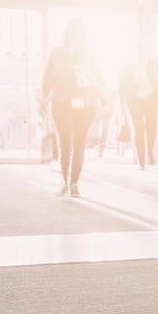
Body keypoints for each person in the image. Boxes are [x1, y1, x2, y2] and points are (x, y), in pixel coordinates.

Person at [43, 20, 103, 197]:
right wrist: (44, 97)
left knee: (79, 146)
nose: (76, 36)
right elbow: (47, 77)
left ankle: (74, 183)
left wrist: (101, 98)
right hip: (62, 104)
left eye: (80, 33)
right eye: (74, 32)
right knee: (66, 145)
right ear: (68, 33)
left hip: (84, 106)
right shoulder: (57, 53)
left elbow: (98, 78)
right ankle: (64, 181)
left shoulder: (90, 55)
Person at [121, 43, 158, 170]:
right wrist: (123, 101)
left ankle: (150, 150)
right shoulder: (128, 65)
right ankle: (141, 161)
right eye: (138, 51)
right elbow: (122, 83)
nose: (140, 54)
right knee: (139, 129)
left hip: (151, 101)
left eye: (142, 51)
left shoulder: (154, 62)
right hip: (135, 101)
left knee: (152, 128)